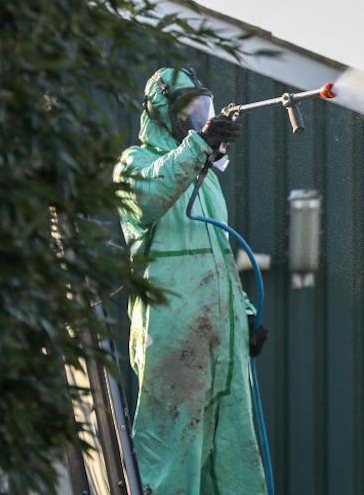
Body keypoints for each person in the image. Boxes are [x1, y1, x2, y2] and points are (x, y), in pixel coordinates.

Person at [113, 66, 269, 495]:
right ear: (163, 114)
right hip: (172, 334)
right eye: (189, 111)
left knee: (233, 455)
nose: (200, 118)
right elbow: (148, 198)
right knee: (170, 458)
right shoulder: (135, 164)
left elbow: (218, 256)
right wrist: (199, 146)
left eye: (204, 108)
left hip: (221, 339)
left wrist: (245, 314)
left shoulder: (208, 183)